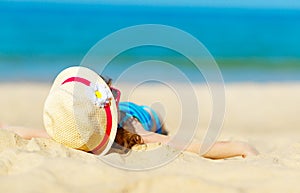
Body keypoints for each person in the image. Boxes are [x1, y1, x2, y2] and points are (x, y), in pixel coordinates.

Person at [1, 66, 258, 159]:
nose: (115, 91)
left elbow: (27, 132)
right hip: (143, 114)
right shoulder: (134, 130)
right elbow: (185, 144)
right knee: (157, 116)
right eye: (111, 91)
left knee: (155, 116)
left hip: (135, 116)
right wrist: (239, 146)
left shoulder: (76, 131)